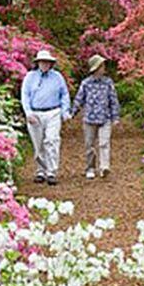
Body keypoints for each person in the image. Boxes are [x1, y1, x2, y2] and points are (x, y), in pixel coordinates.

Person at [20, 50, 70, 186]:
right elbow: (25, 96)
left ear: (51, 64)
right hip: (35, 113)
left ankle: (52, 171)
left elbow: (64, 94)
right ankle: (41, 170)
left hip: (53, 111)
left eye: (47, 62)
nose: (45, 64)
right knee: (38, 143)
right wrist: (28, 112)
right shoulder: (30, 77)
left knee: (52, 140)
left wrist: (65, 111)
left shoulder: (57, 77)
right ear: (38, 63)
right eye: (42, 62)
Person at [71, 54, 120, 180]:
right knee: (89, 145)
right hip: (89, 118)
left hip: (105, 118)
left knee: (104, 143)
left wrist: (116, 117)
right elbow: (79, 99)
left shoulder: (108, 82)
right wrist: (72, 113)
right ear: (96, 68)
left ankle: (104, 167)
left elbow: (113, 100)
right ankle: (90, 168)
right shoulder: (86, 83)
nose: (104, 68)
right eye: (102, 66)